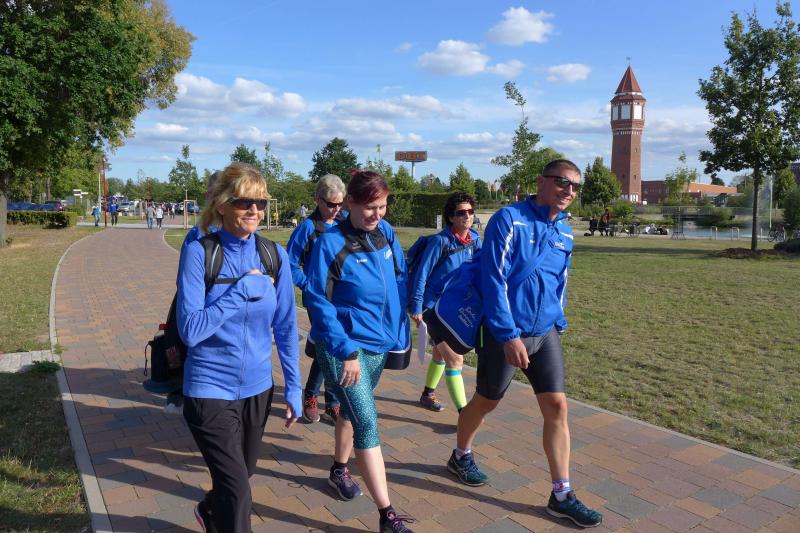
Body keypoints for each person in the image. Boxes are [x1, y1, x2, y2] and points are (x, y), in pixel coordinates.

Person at [446, 160, 603, 529]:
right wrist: (507, 334)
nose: (569, 191)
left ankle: (561, 495)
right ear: (541, 182)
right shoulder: (510, 219)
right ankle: (460, 454)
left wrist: (558, 319)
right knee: (486, 401)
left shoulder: (565, 232)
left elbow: (560, 280)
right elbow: (494, 279)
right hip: (504, 332)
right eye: (562, 182)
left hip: (544, 332)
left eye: (575, 186)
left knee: (557, 407)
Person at [176, 162, 301, 533]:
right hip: (209, 388)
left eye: (261, 203)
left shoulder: (274, 255)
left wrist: (294, 387)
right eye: (245, 202)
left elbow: (286, 326)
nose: (255, 210)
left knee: (239, 476)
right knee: (238, 491)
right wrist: (240, 291)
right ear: (222, 204)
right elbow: (190, 330)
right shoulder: (200, 252)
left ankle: (209, 510)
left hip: (258, 389)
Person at [305, 170, 417, 533]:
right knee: (367, 422)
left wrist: (402, 323)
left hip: (379, 344)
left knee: (352, 414)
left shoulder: (386, 233)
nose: (377, 214)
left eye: (382, 207)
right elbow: (317, 301)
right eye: (370, 207)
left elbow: (399, 278)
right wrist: (346, 351)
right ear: (349, 203)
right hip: (343, 349)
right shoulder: (330, 243)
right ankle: (387, 515)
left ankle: (339, 470)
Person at [408, 192, 481, 412]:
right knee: (455, 359)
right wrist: (417, 306)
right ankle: (464, 413)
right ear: (451, 217)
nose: (467, 216)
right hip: (432, 307)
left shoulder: (475, 240)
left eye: (470, 211)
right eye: (461, 213)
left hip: (452, 307)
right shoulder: (440, 242)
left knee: (440, 353)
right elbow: (421, 274)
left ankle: (427, 394)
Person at [286, 174, 346, 424]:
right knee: (327, 346)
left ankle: (332, 401)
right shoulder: (307, 228)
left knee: (337, 348)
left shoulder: (345, 223)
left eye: (340, 204)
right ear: (317, 200)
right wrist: (309, 286)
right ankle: (313, 396)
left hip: (343, 298)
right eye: (331, 204)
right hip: (319, 299)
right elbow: (290, 264)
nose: (336, 209)